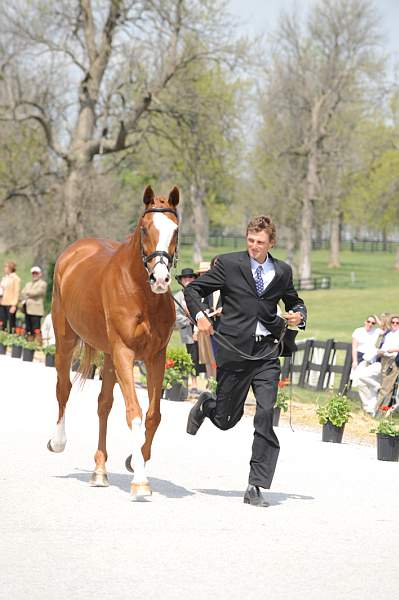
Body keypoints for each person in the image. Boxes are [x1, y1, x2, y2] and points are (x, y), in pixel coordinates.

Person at [184, 215, 307, 507]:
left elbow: (295, 302)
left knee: (265, 414)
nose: (254, 246)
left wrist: (299, 316)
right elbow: (193, 290)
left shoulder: (282, 271)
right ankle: (208, 405)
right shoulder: (228, 264)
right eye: (250, 241)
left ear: (271, 243)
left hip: (267, 352)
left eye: (260, 242)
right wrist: (200, 315)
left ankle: (256, 485)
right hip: (234, 350)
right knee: (227, 419)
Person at [174, 268, 201, 394]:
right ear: (181, 280)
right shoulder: (178, 297)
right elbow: (175, 315)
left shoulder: (200, 293)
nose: (188, 280)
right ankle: (192, 383)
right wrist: (189, 320)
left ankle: (209, 383)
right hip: (187, 333)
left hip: (203, 332)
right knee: (192, 357)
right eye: (185, 278)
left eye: (191, 278)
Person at [375, 314, 399, 413]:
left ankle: (377, 411)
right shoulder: (389, 334)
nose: (395, 324)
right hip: (384, 359)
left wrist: (392, 350)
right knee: (385, 387)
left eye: (397, 323)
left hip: (393, 361)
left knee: (386, 388)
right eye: (393, 322)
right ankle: (383, 411)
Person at [20, 266, 48, 338]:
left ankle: (37, 345)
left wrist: (27, 293)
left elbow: (37, 292)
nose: (34, 275)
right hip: (27, 309)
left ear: (40, 274)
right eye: (33, 273)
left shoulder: (42, 283)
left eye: (36, 273)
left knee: (36, 329)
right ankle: (30, 345)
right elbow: (22, 292)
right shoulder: (28, 283)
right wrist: (28, 293)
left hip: (36, 311)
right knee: (28, 329)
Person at [0, 261, 21, 332]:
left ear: (10, 268)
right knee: (2, 323)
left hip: (10, 304)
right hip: (3, 303)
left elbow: (16, 292)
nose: (4, 268)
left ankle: (12, 340)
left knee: (11, 324)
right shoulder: (4, 278)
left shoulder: (15, 278)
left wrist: (14, 305)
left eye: (6, 267)